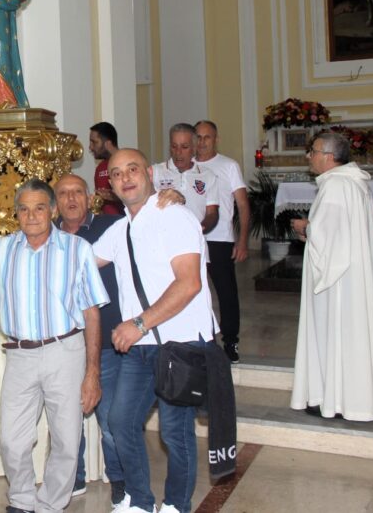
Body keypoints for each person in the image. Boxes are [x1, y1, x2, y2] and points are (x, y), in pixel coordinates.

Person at [0, 178, 107, 513]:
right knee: (12, 439)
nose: (32, 216)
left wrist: (93, 372)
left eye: (39, 208)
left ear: (52, 210)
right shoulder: (0, 250)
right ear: (16, 214)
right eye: (24, 209)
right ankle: (21, 500)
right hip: (20, 355)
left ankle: (50, 504)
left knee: (66, 439)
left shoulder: (77, 250)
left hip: (66, 351)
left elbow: (92, 312)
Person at [92, 148, 219, 513]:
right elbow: (79, 262)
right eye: (117, 174)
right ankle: (140, 501)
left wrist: (138, 323)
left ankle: (177, 505)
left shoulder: (174, 215)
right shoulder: (120, 229)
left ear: (149, 173)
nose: (126, 177)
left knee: (174, 432)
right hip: (141, 347)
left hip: (177, 343)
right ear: (111, 185)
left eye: (133, 169)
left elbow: (189, 283)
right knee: (120, 421)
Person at [289, 132, 373, 421]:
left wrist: (305, 227)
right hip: (353, 276)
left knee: (335, 332)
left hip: (338, 282)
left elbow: (328, 238)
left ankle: (334, 400)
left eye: (312, 151)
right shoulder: (353, 181)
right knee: (352, 335)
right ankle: (353, 397)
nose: (308, 157)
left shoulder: (336, 185)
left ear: (328, 156)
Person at [54, 174, 125, 508]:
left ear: (89, 197)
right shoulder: (45, 234)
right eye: (64, 193)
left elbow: (149, 220)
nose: (71, 199)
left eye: (77, 192)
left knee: (110, 419)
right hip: (63, 344)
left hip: (108, 341)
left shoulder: (113, 226)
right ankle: (75, 478)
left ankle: (121, 480)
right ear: (55, 201)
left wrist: (170, 199)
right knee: (66, 418)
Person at [194, 120, 249, 363]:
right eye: (199, 137)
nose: (202, 142)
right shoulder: (187, 167)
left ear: (215, 139)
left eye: (207, 137)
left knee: (225, 292)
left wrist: (243, 240)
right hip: (193, 240)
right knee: (193, 290)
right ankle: (201, 339)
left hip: (220, 238)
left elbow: (243, 205)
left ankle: (231, 341)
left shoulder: (228, 166)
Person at [151, 123, 219, 232]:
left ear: (194, 148)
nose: (178, 152)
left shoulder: (207, 175)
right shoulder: (156, 171)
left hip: (195, 241)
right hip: (163, 241)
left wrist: (199, 229)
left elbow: (212, 213)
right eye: (174, 146)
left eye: (184, 147)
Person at [89, 122, 122, 216]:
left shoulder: (127, 163)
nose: (90, 147)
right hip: (105, 224)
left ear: (108, 143)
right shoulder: (100, 168)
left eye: (94, 142)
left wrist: (117, 197)